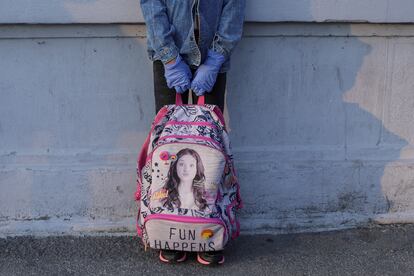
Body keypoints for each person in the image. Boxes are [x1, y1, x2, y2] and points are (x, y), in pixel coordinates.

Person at [140, 0, 246, 265]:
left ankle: (207, 226)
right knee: (166, 146)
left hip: (212, 56)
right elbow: (152, 7)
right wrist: (170, 57)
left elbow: (234, 8)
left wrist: (216, 58)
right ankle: (167, 226)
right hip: (169, 55)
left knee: (209, 150)